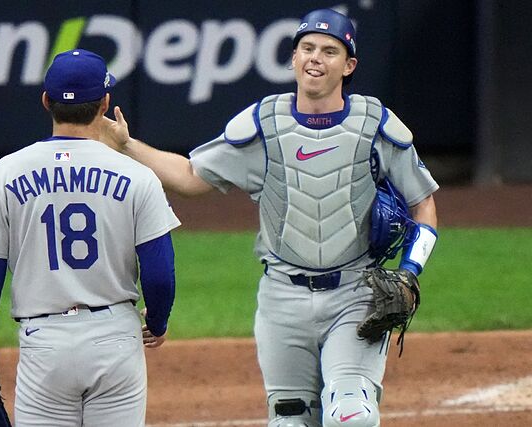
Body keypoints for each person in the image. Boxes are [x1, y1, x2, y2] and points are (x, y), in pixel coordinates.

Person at [104, 8, 438, 427]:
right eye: (307, 48)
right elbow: (191, 177)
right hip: (282, 298)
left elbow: (422, 203)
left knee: (350, 416)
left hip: (356, 293)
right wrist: (126, 145)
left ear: (349, 65)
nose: (316, 57)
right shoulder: (264, 123)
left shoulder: (377, 125)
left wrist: (410, 271)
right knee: (288, 421)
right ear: (293, 59)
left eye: (329, 51)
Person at [0, 48, 181, 426]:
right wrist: (157, 323)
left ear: (46, 101)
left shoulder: (6, 173)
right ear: (105, 103)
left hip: (44, 344)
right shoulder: (137, 175)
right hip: (115, 340)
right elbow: (160, 273)